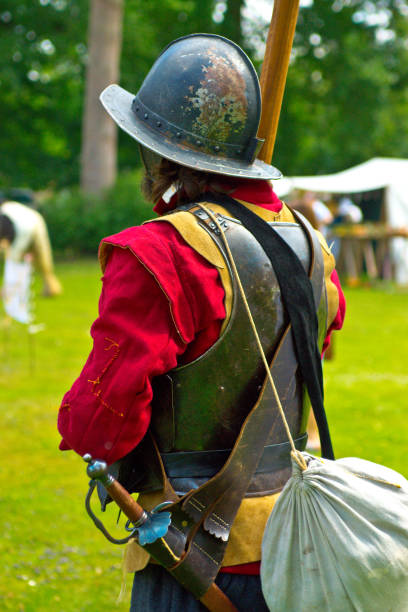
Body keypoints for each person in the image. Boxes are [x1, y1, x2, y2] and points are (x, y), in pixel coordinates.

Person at [57, 34, 345, 611]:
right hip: (301, 544)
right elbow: (321, 346)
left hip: (196, 556)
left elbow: (98, 423)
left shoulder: (160, 252)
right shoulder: (315, 248)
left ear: (162, 153)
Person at [0, 196, 62, 297]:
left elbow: (6, 231)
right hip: (36, 220)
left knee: (13, 260)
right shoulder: (13, 207)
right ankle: (51, 286)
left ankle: (9, 290)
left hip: (21, 229)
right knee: (42, 257)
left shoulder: (4, 212)